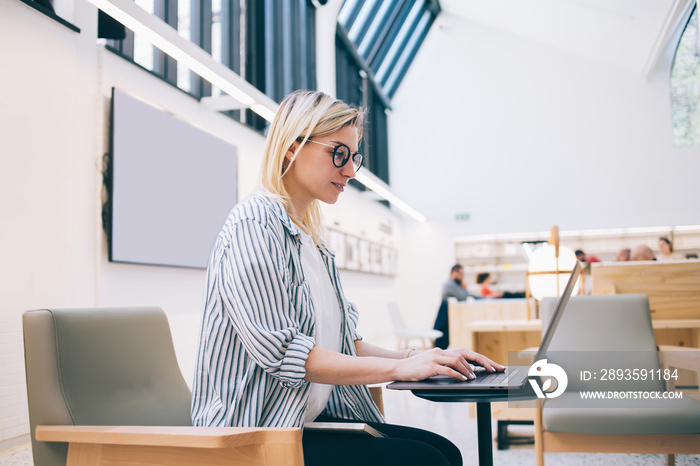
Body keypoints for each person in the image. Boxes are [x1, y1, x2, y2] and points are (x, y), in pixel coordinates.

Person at [191, 90, 503, 466]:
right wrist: (400, 368)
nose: (351, 171)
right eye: (338, 153)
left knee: (444, 452)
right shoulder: (254, 227)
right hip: (258, 434)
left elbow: (343, 344)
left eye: (354, 157)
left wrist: (418, 357)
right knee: (427, 460)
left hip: (306, 422)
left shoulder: (313, 241)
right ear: (292, 147)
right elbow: (285, 354)